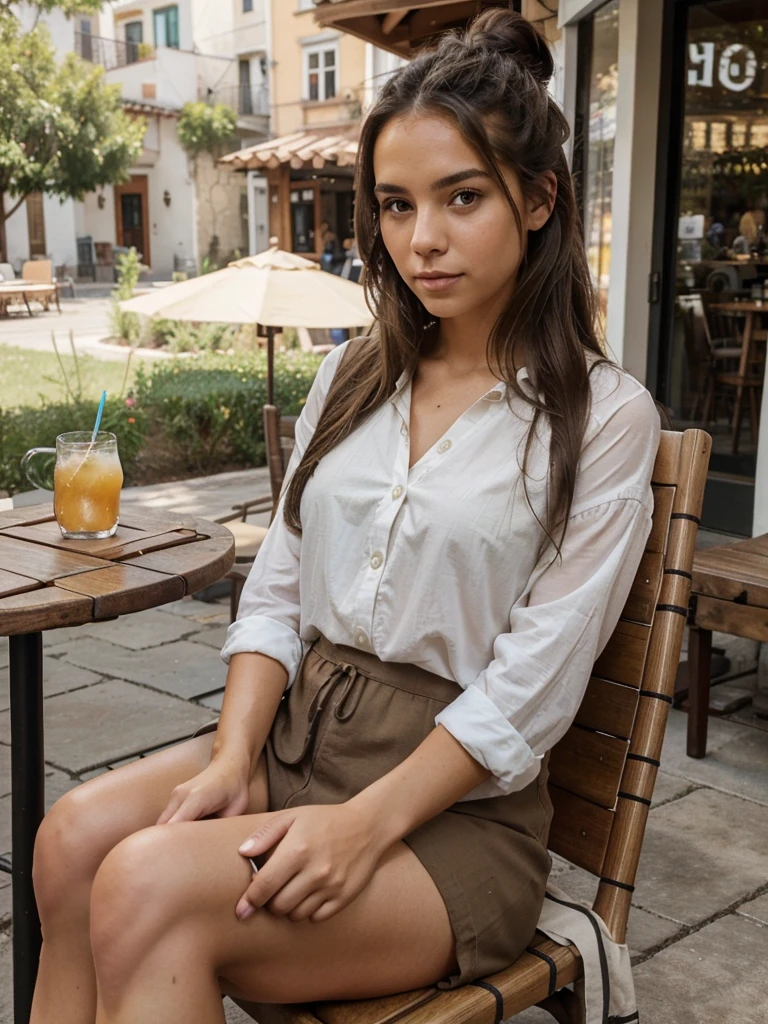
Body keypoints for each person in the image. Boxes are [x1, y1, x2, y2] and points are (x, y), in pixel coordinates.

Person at [30, 10, 660, 1023]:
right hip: (297, 738)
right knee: (69, 841)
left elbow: (528, 693)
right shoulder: (352, 376)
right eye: (397, 205)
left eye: (463, 198)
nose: (423, 240)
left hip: (454, 814)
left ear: (540, 199)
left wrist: (362, 825)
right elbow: (278, 585)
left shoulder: (602, 417)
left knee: (149, 889)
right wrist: (237, 754)